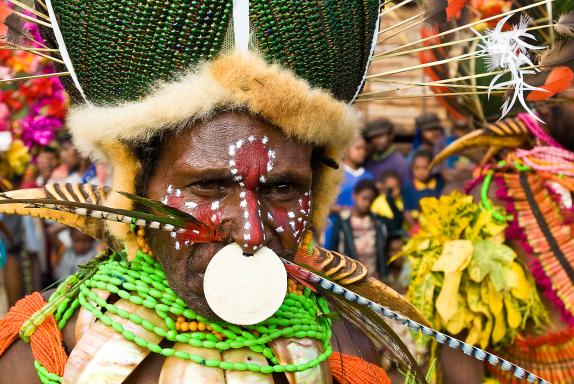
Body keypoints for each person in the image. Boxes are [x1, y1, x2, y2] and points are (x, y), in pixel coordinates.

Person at [0, 3, 436, 383]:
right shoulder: (40, 353)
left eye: (282, 188)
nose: (250, 234)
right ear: (135, 187)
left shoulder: (352, 353)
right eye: (208, 186)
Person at [327, 180, 390, 279]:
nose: (367, 203)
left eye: (371, 200)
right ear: (354, 195)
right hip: (347, 275)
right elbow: (333, 249)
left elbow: (382, 253)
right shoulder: (343, 220)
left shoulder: (377, 223)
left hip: (372, 276)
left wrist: (382, 274)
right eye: (364, 198)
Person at [323, 136, 373, 245]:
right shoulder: (334, 173)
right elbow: (325, 204)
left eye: (364, 149)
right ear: (346, 149)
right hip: (335, 226)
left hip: (360, 231)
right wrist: (344, 210)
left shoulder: (369, 177)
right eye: (358, 148)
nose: (362, 152)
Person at [403, 149, 444, 226]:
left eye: (425, 168)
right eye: (417, 168)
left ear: (432, 166)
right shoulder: (409, 187)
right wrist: (416, 229)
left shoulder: (440, 182)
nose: (421, 172)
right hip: (418, 227)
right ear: (412, 168)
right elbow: (407, 212)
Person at [363, 118, 410, 186]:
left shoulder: (399, 163)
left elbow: (405, 189)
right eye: (374, 137)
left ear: (391, 136)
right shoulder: (369, 160)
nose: (377, 141)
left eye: (381, 136)